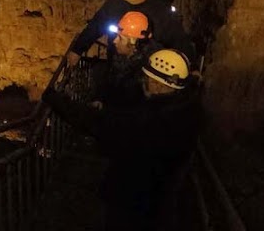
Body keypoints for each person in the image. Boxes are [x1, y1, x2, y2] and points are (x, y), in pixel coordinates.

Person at [43, 48, 201, 230]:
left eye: (148, 80)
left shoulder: (153, 122)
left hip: (136, 201)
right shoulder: (185, 109)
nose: (144, 83)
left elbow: (98, 123)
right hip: (160, 197)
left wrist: (55, 100)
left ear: (159, 84)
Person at [68, 0, 195, 66]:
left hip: (147, 68)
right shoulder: (116, 2)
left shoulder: (160, 11)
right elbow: (96, 25)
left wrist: (191, 66)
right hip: (117, 63)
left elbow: (179, 40)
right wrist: (78, 49)